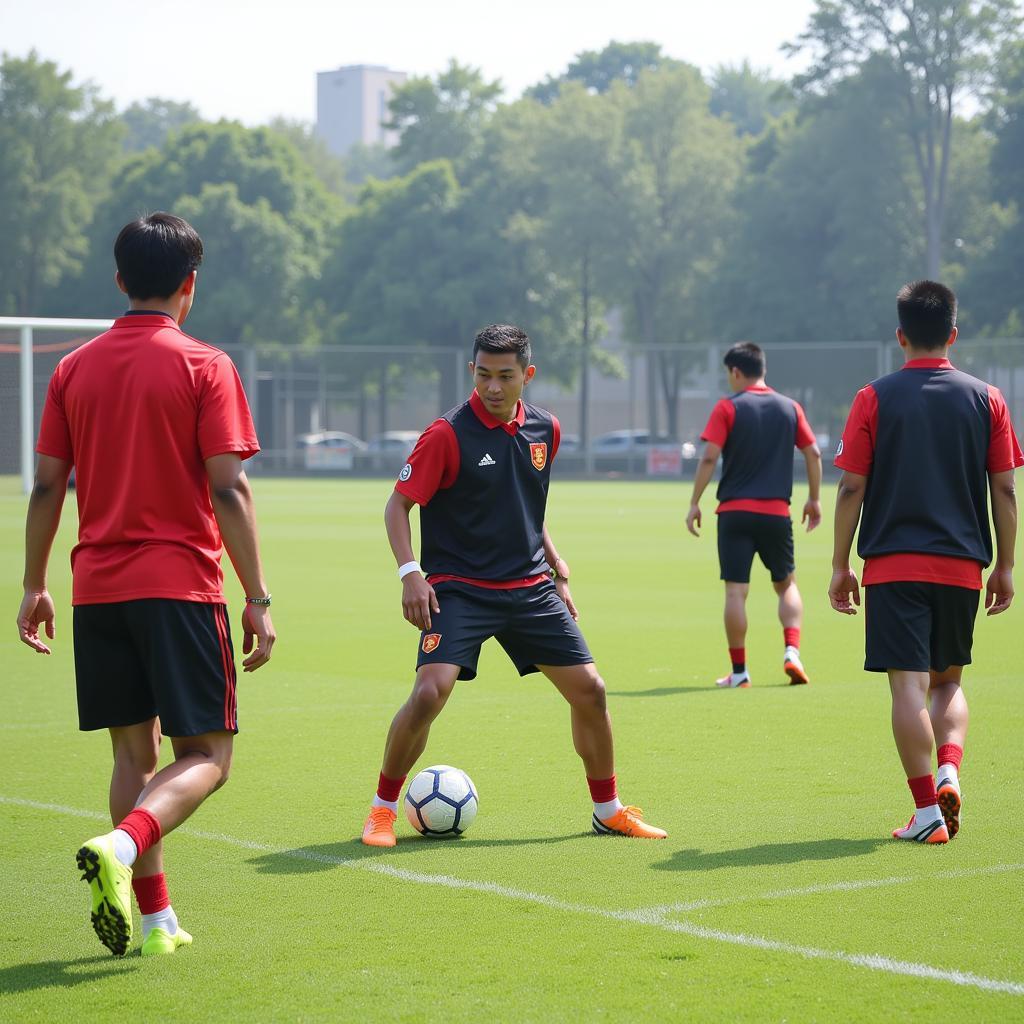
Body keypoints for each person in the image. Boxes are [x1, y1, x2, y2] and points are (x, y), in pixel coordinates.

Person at [16, 212, 276, 955]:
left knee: (134, 757)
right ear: (190, 285)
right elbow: (228, 489)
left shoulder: (74, 368)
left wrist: (34, 584)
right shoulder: (205, 365)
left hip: (95, 589)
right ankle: (122, 848)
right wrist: (256, 597)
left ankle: (158, 922)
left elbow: (45, 489)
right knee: (207, 758)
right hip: (180, 590)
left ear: (120, 279)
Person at [361, 324, 666, 847]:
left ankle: (608, 809)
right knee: (430, 692)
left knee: (591, 692)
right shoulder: (446, 434)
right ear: (471, 372)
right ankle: (383, 810)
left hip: (530, 587)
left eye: (505, 376)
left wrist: (555, 564)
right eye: (483, 375)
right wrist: (410, 573)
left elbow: (526, 502)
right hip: (458, 588)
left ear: (528, 375)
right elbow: (397, 505)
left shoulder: (546, 429)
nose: (493, 387)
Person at [829, 280, 1022, 844]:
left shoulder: (874, 396)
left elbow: (850, 488)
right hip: (963, 567)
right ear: (953, 335)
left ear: (900, 336)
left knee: (906, 688)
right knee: (948, 682)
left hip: (893, 566)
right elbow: (1004, 491)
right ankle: (949, 771)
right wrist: (1005, 567)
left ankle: (925, 813)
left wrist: (841, 564)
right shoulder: (988, 398)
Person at [687, 342, 822, 688]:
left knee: (736, 592)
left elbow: (708, 457)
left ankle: (740, 672)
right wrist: (814, 499)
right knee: (786, 583)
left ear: (735, 371)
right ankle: (792, 651)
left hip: (734, 512)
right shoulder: (790, 408)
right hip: (776, 512)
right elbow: (814, 453)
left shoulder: (727, 408)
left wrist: (695, 502)